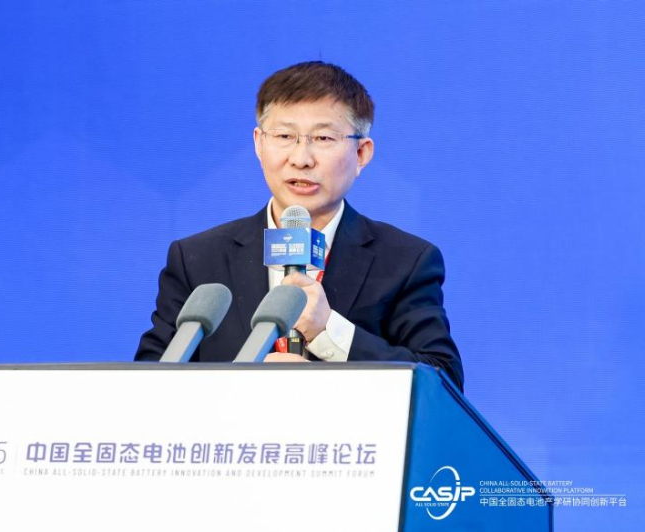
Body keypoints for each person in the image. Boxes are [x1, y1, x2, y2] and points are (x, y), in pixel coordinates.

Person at [134, 61, 464, 391]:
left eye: (323, 137)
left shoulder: (406, 260)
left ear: (362, 153)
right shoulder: (197, 259)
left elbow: (443, 382)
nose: (301, 158)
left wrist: (327, 329)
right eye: (284, 136)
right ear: (259, 143)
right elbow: (146, 386)